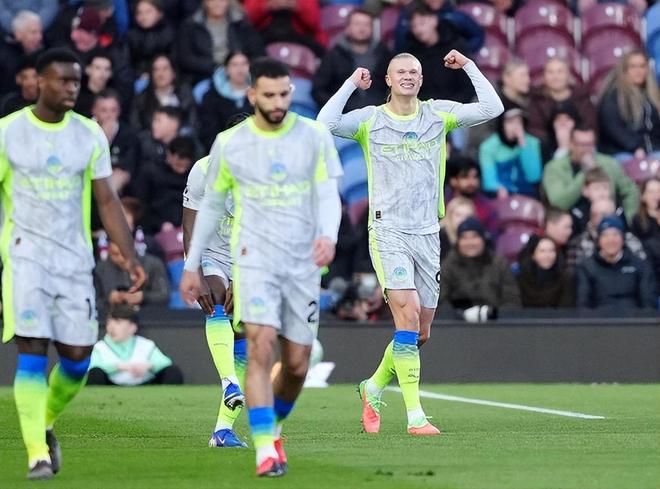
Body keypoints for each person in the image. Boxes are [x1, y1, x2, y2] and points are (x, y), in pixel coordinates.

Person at [317, 49, 503, 435]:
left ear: (421, 79)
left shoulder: (438, 114)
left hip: (427, 232)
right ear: (388, 79)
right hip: (388, 230)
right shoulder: (370, 120)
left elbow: (492, 107)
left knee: (420, 332)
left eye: (414, 72)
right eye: (400, 71)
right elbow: (324, 123)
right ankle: (415, 416)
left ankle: (372, 387)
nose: (407, 76)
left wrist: (469, 66)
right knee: (408, 312)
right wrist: (351, 84)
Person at [179, 58, 342, 477]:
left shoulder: (310, 141)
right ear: (253, 97)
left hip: (293, 263)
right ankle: (263, 445)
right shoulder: (221, 154)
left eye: (283, 94)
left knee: (296, 364)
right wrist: (191, 265)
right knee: (257, 344)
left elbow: (328, 195)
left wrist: (328, 236)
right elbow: (203, 210)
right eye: (268, 95)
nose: (277, 103)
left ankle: (259, 427)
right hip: (243, 258)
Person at [0, 48, 146, 480]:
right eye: (63, 80)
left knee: (78, 358)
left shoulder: (88, 133)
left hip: (73, 261)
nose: (71, 88)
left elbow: (107, 199)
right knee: (31, 349)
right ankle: (36, 454)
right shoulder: (8, 132)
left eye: (76, 82)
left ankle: (44, 422)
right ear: (39, 81)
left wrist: (128, 253)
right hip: (25, 257)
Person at [181, 115, 251, 449]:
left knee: (244, 332)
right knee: (216, 298)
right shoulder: (204, 169)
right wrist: (192, 269)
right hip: (211, 251)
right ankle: (229, 383)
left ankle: (222, 431)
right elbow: (189, 223)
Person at [543, 125, 640, 225]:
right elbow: (558, 203)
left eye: (590, 144)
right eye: (582, 145)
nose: (587, 149)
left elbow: (631, 191)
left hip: (610, 222)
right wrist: (584, 173)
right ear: (571, 144)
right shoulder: (554, 168)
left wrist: (628, 219)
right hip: (573, 225)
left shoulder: (609, 163)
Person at [312, 9, 391, 113]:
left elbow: (393, 86)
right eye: (357, 24)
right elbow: (318, 90)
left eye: (366, 25)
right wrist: (336, 107)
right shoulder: (333, 55)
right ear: (347, 28)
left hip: (380, 113)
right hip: (342, 114)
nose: (362, 28)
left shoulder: (384, 54)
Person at [87, 304, 183, 385]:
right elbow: (93, 366)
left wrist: (148, 366)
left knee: (172, 372)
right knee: (94, 374)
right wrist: (119, 367)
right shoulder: (100, 347)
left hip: (145, 385)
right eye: (109, 322)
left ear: (132, 327)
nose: (111, 327)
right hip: (111, 384)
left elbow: (165, 363)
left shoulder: (145, 345)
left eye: (118, 322)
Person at [440, 217, 521, 310]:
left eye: (475, 237)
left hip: (495, 317)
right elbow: (441, 300)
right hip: (458, 317)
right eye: (464, 238)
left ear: (483, 239)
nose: (470, 242)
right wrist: (458, 315)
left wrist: (495, 315)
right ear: (458, 242)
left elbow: (511, 299)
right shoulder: (448, 265)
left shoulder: (499, 263)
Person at [576, 215, 656, 309]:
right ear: (599, 240)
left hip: (632, 316)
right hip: (600, 317)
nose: (611, 240)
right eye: (605, 235)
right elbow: (583, 304)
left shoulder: (640, 265)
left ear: (623, 239)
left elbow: (648, 302)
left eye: (616, 235)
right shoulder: (587, 267)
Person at [178, 0, 264, 85]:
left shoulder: (241, 24)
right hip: (204, 76)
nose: (217, 3)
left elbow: (257, 52)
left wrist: (240, 66)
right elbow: (186, 58)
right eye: (213, 1)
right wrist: (216, 67)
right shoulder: (191, 26)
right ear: (205, 2)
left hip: (241, 75)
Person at [402, 4, 475, 103]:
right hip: (422, 108)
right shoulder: (410, 53)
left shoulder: (456, 47)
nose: (418, 30)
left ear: (434, 20)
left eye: (422, 23)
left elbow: (468, 87)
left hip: (455, 107)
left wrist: (449, 108)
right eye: (413, 26)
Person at [597, 49, 660, 161]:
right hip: (621, 151)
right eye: (633, 66)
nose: (638, 71)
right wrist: (635, 147)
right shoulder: (612, 96)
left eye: (642, 66)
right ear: (624, 70)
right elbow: (614, 129)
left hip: (652, 149)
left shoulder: (653, 95)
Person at [527, 57, 595, 150]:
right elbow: (535, 128)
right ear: (544, 76)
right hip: (547, 149)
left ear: (568, 74)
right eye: (550, 72)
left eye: (560, 71)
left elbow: (590, 125)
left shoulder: (581, 96)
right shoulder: (537, 99)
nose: (555, 77)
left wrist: (572, 143)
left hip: (580, 147)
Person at [133, 135, 196, 234]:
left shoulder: (193, 176)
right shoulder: (150, 172)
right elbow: (140, 206)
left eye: (185, 166)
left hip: (184, 229)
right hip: (154, 229)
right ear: (169, 155)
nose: (182, 170)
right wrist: (160, 223)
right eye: (179, 164)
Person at [479, 105, 542, 199]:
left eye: (519, 122)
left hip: (527, 195)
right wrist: (498, 188)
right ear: (501, 124)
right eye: (510, 122)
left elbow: (534, 177)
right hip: (502, 197)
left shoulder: (532, 143)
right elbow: (489, 181)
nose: (515, 127)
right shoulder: (488, 147)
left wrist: (523, 144)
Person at [198, 51, 253, 151]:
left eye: (244, 64)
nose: (240, 69)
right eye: (234, 64)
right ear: (226, 70)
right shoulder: (211, 97)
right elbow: (209, 131)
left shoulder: (259, 93)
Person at [94, 240, 170, 310]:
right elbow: (93, 302)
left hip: (147, 315)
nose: (121, 259)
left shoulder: (153, 264)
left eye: (125, 254)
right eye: (115, 254)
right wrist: (108, 300)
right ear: (109, 252)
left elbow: (164, 296)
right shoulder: (100, 269)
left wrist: (143, 297)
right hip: (110, 316)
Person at [131, 54, 197, 130]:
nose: (160, 74)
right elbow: (136, 128)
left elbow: (193, 122)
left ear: (173, 73)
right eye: (156, 70)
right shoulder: (141, 99)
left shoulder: (185, 94)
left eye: (165, 69)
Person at [516, 235, 574, 308]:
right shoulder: (521, 278)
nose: (548, 255)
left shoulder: (566, 277)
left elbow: (566, 308)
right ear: (533, 255)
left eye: (552, 250)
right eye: (542, 251)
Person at [446, 155, 498, 236]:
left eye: (475, 177)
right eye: (465, 177)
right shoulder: (443, 205)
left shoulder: (487, 207)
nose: (471, 182)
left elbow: (491, 236)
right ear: (453, 180)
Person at [126, 0, 176, 76]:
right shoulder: (130, 37)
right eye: (139, 13)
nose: (143, 17)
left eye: (148, 12)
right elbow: (125, 63)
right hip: (138, 77)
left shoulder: (170, 34)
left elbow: (174, 61)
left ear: (160, 14)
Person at [0, 10, 44, 95]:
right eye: (33, 32)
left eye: (40, 32)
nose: (39, 37)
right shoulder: (3, 58)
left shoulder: (45, 54)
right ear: (18, 34)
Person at [631, 177, 660, 295]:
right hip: (651, 271)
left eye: (659, 191)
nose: (656, 196)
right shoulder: (637, 221)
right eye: (651, 192)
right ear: (643, 196)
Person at [74, 49, 114, 117]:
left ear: (111, 73)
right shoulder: (76, 96)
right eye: (97, 68)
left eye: (107, 69)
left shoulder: (115, 98)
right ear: (88, 69)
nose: (102, 73)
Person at [439, 196, 476, 260]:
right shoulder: (440, 236)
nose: (463, 220)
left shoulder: (476, 238)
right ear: (449, 216)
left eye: (468, 216)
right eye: (458, 215)